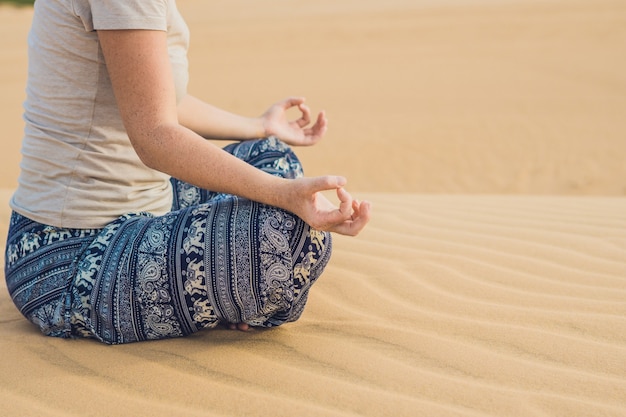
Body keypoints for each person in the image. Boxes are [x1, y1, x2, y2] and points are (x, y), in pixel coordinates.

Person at [4, 0, 370, 344]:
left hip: (149, 208)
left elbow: (159, 101)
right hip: (69, 258)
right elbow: (154, 136)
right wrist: (282, 195)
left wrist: (260, 126)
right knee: (287, 235)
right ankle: (230, 296)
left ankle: (225, 292)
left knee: (272, 158)